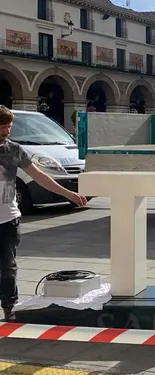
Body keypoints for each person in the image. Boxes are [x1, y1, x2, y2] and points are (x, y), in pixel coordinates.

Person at [0, 106, 87, 320]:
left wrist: (69, 194)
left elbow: (39, 176)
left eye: (9, 127)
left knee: (8, 267)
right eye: (2, 127)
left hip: (8, 218)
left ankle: (9, 308)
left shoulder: (15, 150)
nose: (7, 131)